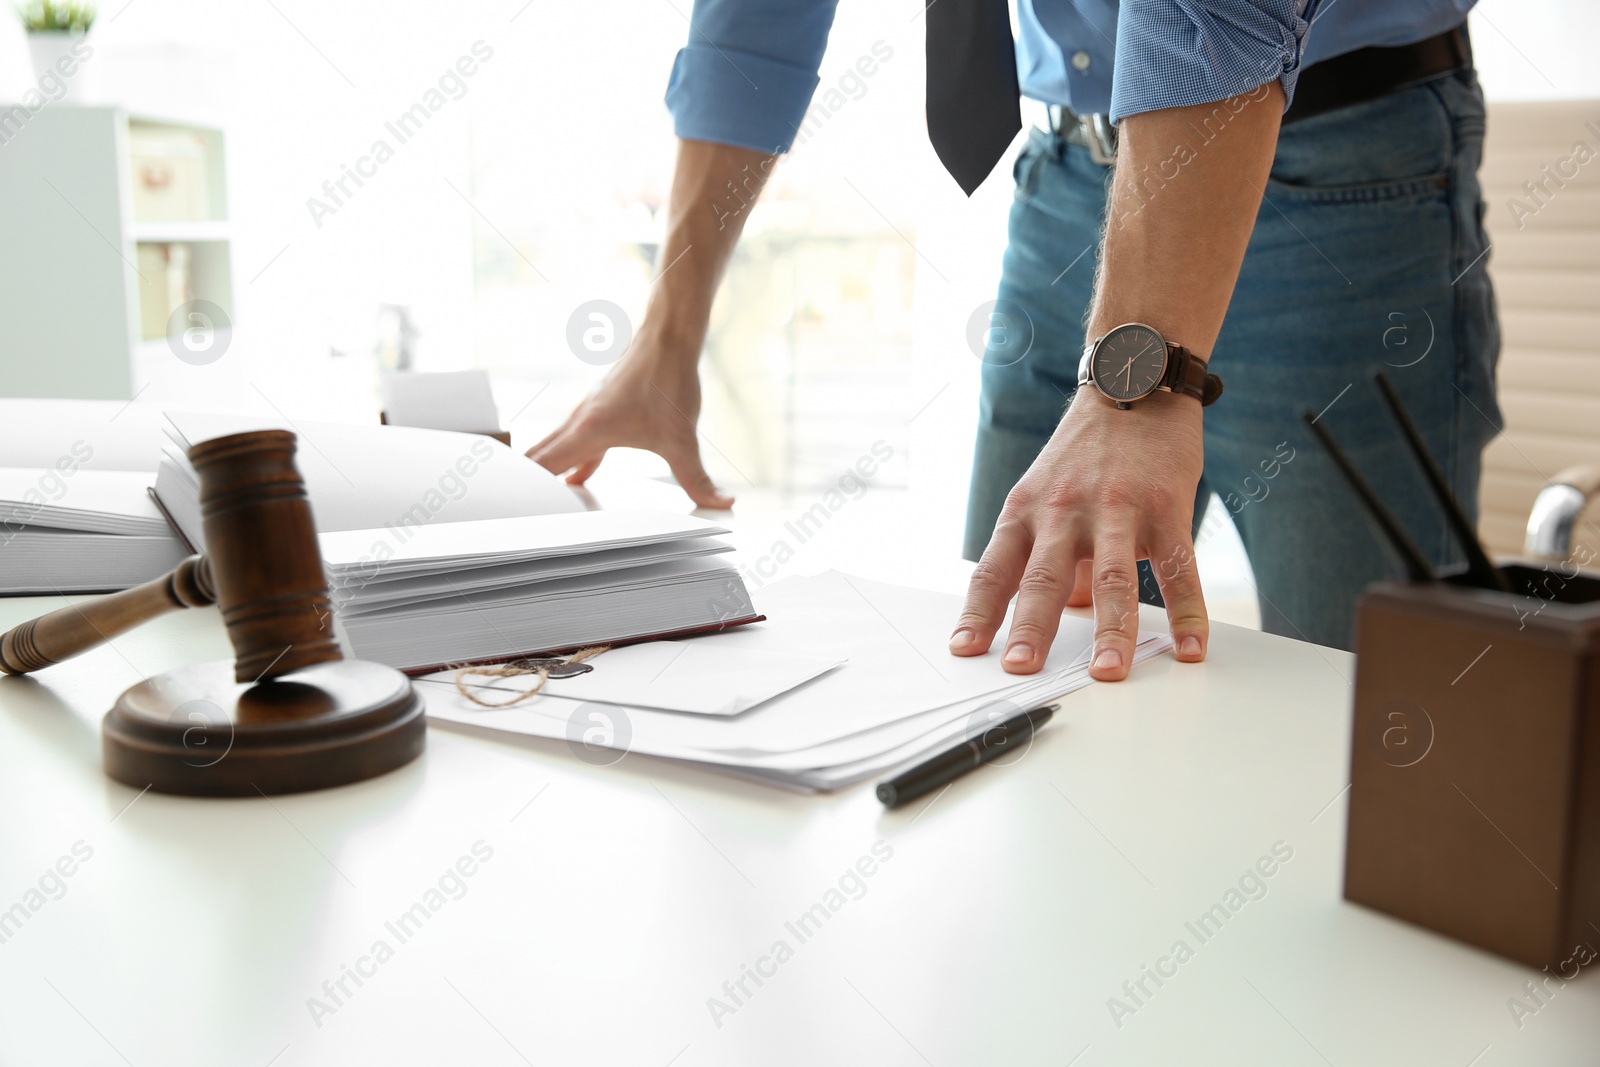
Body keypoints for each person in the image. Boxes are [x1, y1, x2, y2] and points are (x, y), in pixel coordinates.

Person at [528, 0, 1499, 680]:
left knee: (1357, 718)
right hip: (1071, 170)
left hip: (1334, 168)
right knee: (1013, 678)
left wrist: (1139, 377)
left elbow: (1219, 12)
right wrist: (666, 342)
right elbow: (759, 13)